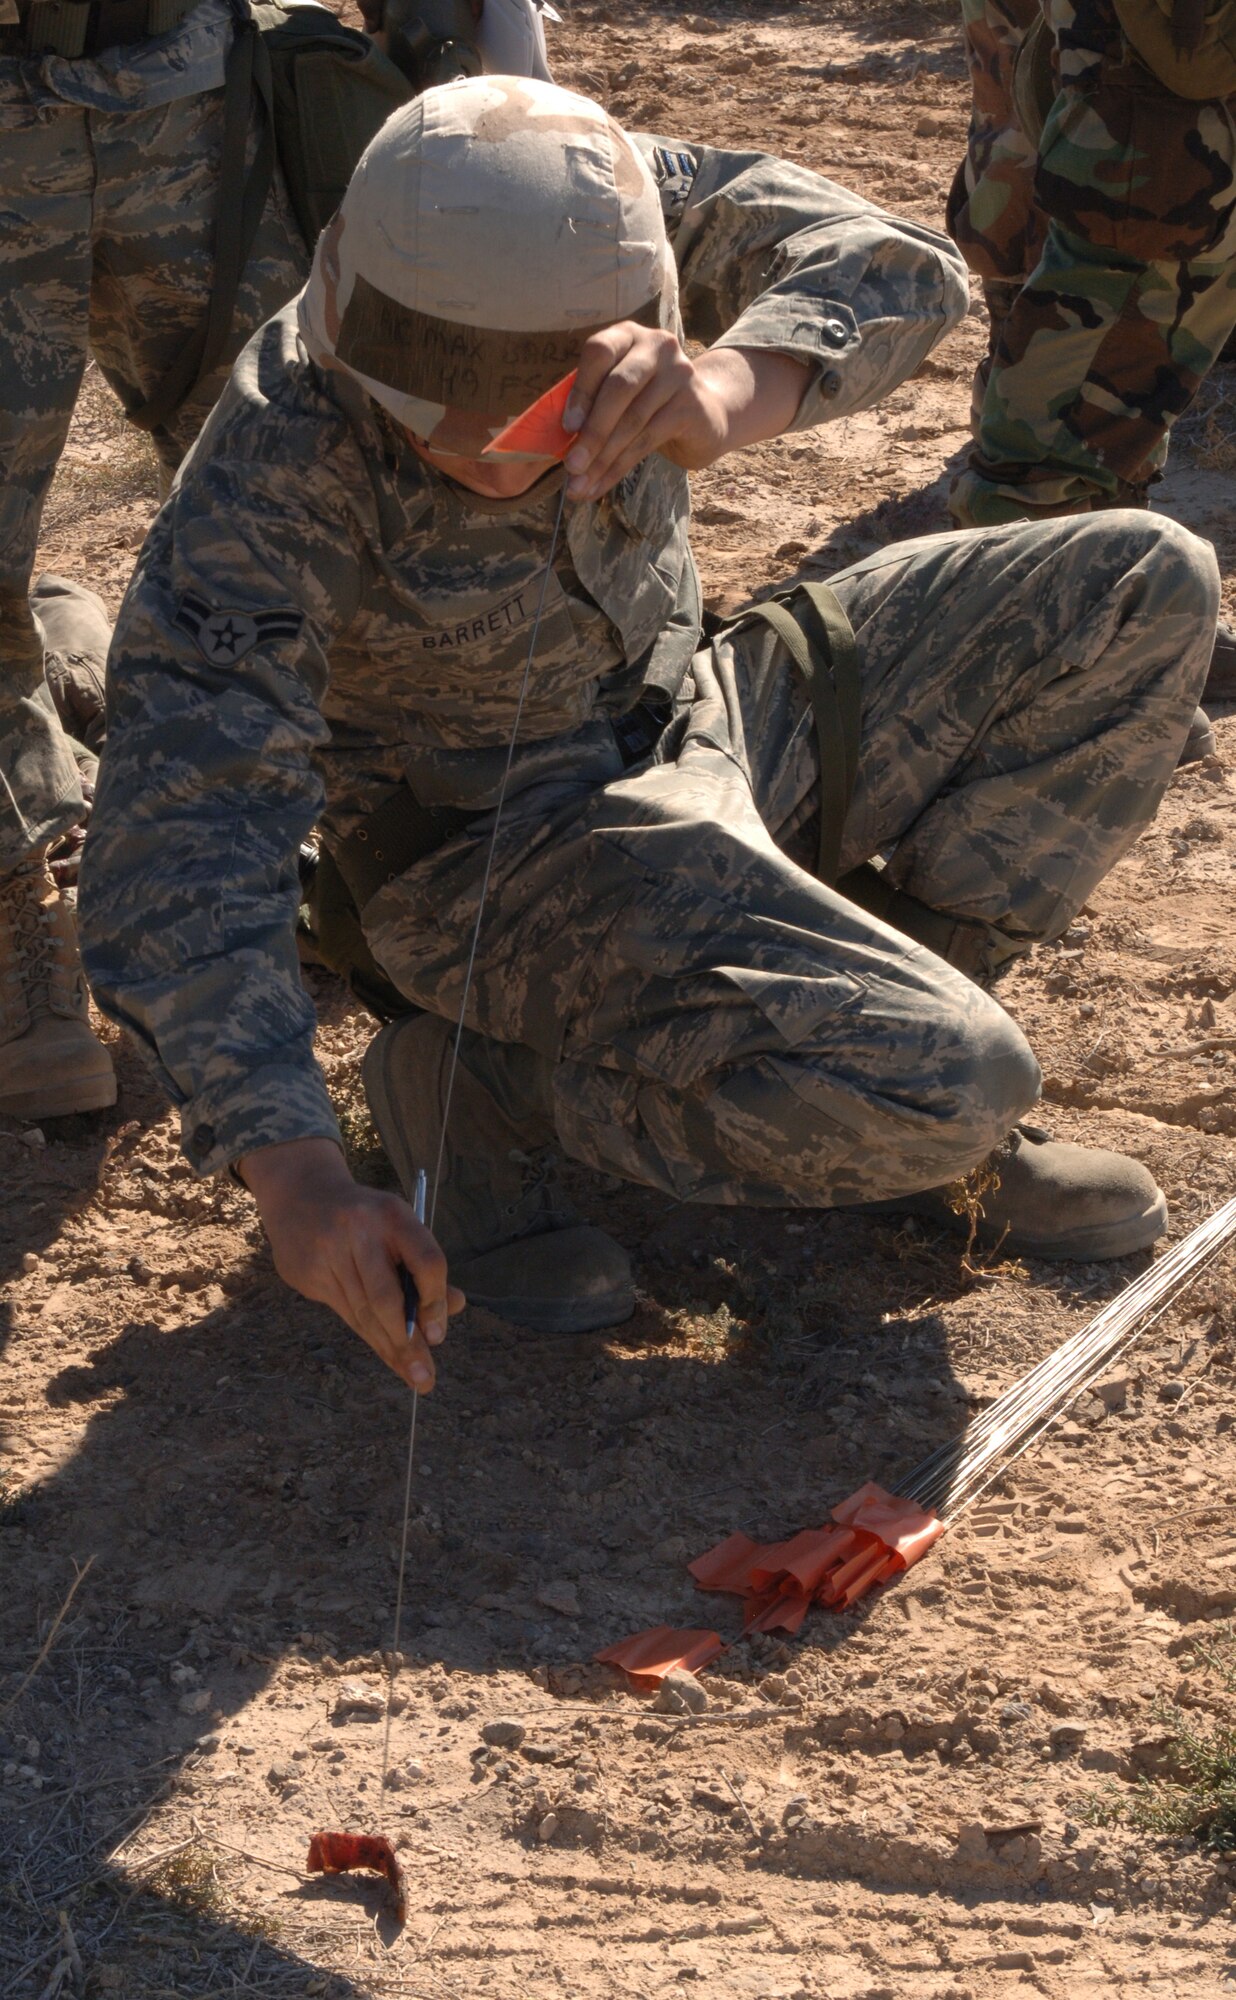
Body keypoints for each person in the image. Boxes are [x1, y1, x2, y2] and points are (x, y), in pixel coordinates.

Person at [78, 77, 1215, 1397]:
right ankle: (488, 1091)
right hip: (496, 857)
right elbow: (181, 838)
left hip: (706, 716)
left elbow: (890, 263)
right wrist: (298, 1177)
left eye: (539, 400)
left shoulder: (584, 196)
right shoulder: (280, 468)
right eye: (439, 401)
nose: (492, 449)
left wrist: (735, 383)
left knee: (1145, 580)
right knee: (957, 1079)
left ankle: (889, 1080)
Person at [0, 0, 554, 1121]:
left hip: (194, 111)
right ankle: (20, 905)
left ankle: (350, 857)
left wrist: (460, 48)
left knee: (301, 493)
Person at [948, 0, 1236, 707]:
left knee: (1128, 370)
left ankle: (1105, 594)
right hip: (1154, 133)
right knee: (1113, 310)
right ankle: (1031, 640)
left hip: (1133, 117)